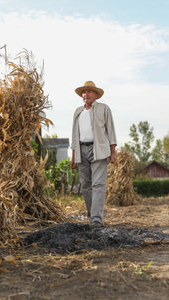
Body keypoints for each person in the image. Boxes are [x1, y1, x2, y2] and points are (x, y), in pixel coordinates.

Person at [70, 81, 117, 226]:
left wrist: (112, 152)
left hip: (99, 149)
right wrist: (73, 156)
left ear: (96, 94)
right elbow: (74, 134)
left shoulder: (104, 109)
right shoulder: (78, 112)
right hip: (81, 150)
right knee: (85, 185)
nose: (86, 94)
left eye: (89, 91)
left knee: (98, 184)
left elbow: (111, 130)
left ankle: (96, 219)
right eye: (84, 92)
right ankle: (91, 217)